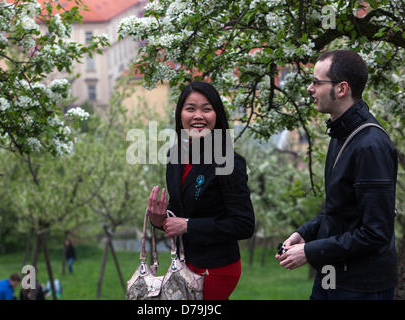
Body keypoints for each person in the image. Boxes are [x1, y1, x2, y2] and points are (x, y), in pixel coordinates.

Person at [276, 50, 398, 300]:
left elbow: (375, 233)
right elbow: (339, 209)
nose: (310, 89)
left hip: (360, 288)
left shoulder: (370, 145)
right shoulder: (341, 135)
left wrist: (310, 251)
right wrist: (304, 233)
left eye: (317, 82)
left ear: (342, 89)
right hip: (333, 278)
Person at [147, 81, 255, 300]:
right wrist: (160, 220)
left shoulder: (228, 162)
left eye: (206, 109)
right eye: (190, 109)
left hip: (217, 268)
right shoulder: (174, 156)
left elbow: (243, 225)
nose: (198, 115)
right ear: (180, 115)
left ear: (217, 116)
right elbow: (181, 210)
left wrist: (188, 226)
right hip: (186, 264)